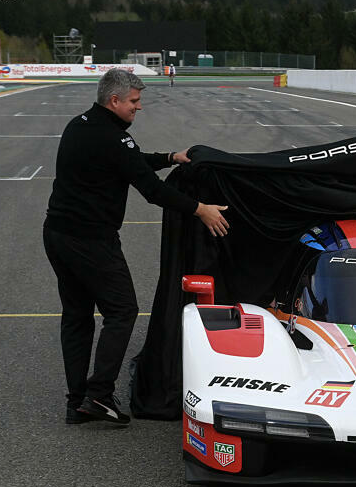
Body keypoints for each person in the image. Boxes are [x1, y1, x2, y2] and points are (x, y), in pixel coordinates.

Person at [44, 68, 229, 426]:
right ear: (114, 100)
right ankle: (98, 396)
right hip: (90, 239)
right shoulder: (114, 138)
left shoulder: (80, 126)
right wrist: (200, 209)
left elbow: (131, 163)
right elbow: (152, 191)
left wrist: (171, 157)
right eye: (134, 101)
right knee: (123, 310)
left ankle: (77, 401)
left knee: (77, 316)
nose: (138, 107)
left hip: (58, 234)